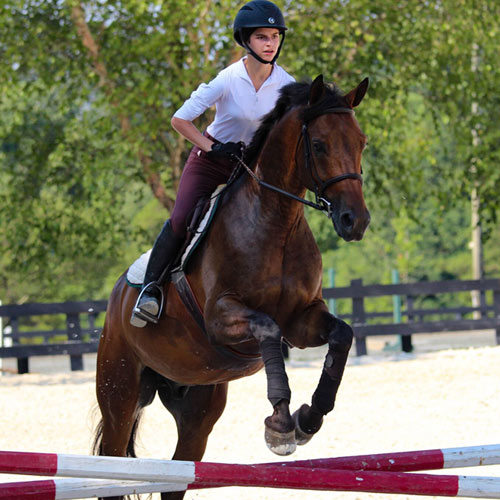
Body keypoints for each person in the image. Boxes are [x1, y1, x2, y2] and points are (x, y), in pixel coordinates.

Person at [131, 0, 295, 327]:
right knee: (180, 219)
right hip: (210, 161)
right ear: (246, 41)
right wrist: (213, 147)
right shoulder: (227, 79)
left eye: (275, 36)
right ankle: (149, 291)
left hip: (250, 169)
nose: (270, 43)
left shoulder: (287, 85)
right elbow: (180, 120)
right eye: (262, 37)